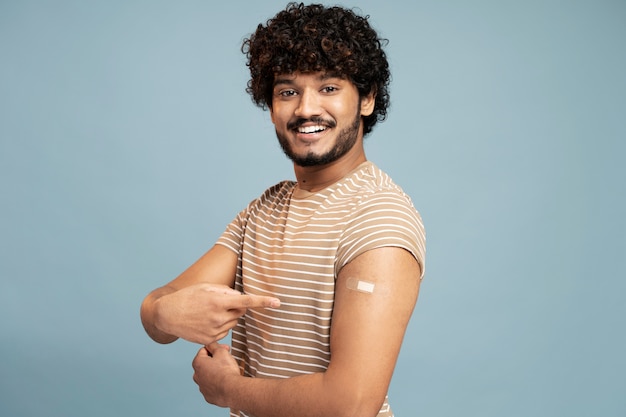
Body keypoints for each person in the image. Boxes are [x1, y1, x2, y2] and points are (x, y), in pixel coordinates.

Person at [140, 3, 426, 416]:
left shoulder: (379, 219)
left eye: (329, 88)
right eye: (288, 91)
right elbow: (157, 309)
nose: (306, 108)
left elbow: (351, 405)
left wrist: (228, 390)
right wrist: (167, 313)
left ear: (366, 99)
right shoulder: (265, 209)